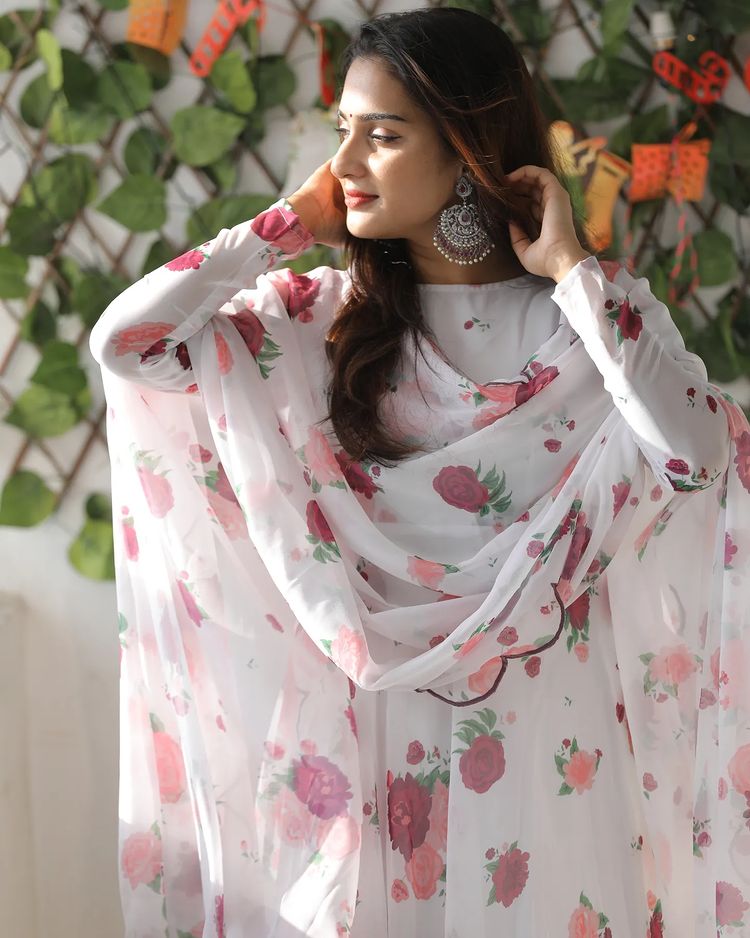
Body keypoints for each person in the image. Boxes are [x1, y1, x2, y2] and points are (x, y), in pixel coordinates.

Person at [89, 8, 750, 938]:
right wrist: (286, 226)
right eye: (343, 130)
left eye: (384, 135)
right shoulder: (312, 323)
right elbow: (126, 345)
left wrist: (572, 269)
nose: (344, 163)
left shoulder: (592, 323)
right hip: (365, 740)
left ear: (469, 149)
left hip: (546, 743)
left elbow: (698, 456)